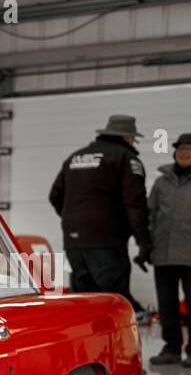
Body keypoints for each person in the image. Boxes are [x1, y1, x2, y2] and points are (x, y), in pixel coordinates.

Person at [48, 114, 151, 313]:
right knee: (113, 303)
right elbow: (135, 204)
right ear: (128, 138)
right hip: (107, 242)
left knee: (83, 303)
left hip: (74, 243)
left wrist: (78, 221)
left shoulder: (75, 157)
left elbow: (55, 196)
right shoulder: (126, 158)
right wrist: (143, 242)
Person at [145, 132, 191, 368]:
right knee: (166, 304)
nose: (184, 153)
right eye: (181, 148)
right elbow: (150, 214)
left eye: (190, 149)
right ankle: (171, 348)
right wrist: (146, 244)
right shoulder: (162, 181)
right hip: (163, 252)